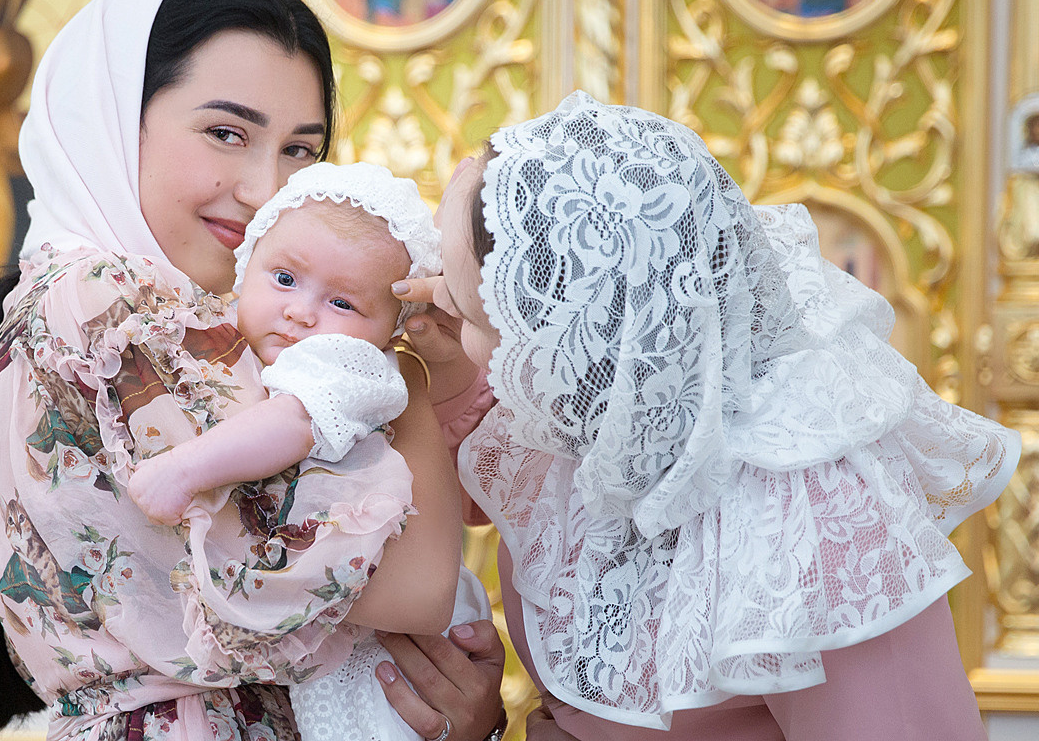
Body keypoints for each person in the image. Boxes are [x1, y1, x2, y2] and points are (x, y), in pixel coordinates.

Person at [0, 0, 506, 741]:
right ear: (113, 117)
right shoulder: (107, 306)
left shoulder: (189, 327)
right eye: (226, 132)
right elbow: (415, 589)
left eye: (299, 150)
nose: (265, 189)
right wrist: (390, 372)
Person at [394, 90, 1021, 740]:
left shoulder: (812, 513)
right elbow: (473, 497)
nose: (438, 303)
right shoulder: (612, 412)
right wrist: (448, 364)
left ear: (572, 336)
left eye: (469, 309)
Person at [129, 161, 493, 741]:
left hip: (386, 650)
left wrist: (183, 470)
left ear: (391, 328)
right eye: (284, 278)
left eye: (342, 304)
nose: (302, 311)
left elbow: (293, 425)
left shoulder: (348, 364)